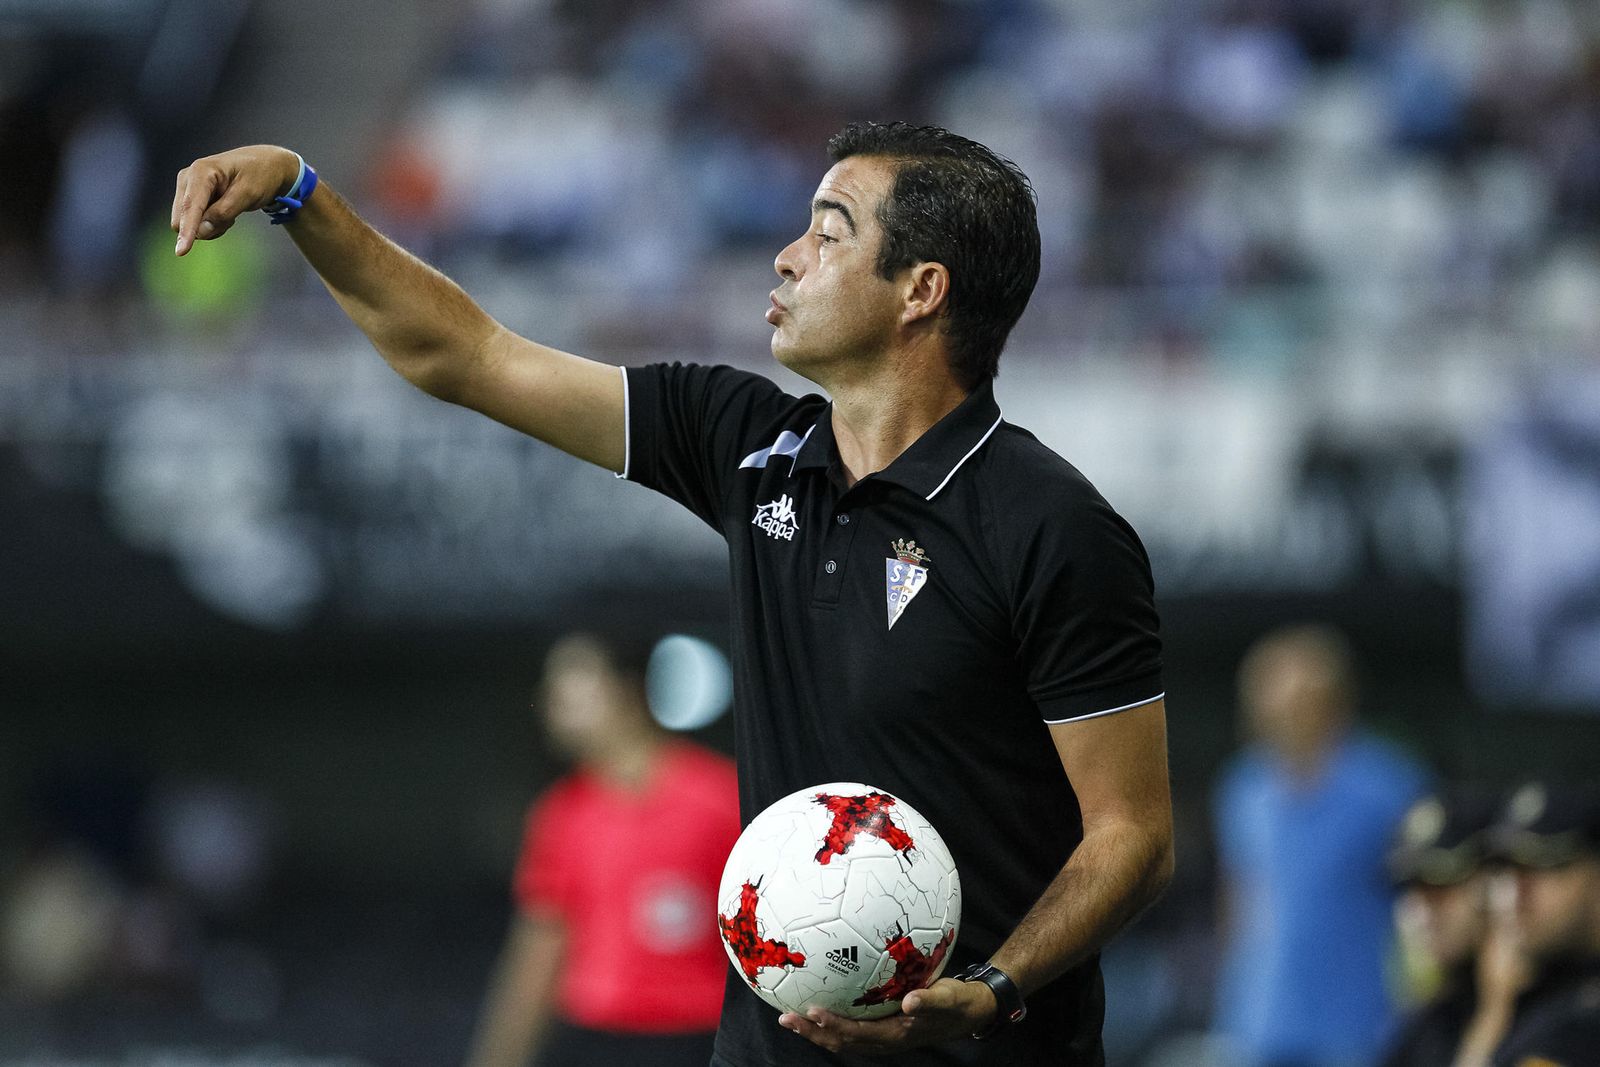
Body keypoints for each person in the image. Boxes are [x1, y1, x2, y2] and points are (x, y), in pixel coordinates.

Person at [171, 121, 1173, 1065]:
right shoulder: (750, 444)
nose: (785, 257)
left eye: (828, 234)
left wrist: (994, 985)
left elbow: (1131, 832)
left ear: (920, 290)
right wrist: (300, 192)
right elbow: (465, 355)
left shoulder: (1052, 527)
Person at [464, 633, 740, 1067]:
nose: (551, 702)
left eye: (570, 682)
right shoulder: (562, 812)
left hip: (701, 1038)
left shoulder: (720, 796)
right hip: (595, 1039)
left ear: (626, 688)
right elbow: (540, 947)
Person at [1211, 624, 1427, 1067]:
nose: (1279, 715)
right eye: (1268, 702)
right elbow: (1239, 898)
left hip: (1358, 1030)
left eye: (1297, 701)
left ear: (1334, 702)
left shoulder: (1388, 786)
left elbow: (1425, 897)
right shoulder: (1243, 788)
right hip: (1257, 1024)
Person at [1451, 782, 1600, 1067]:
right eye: (1504, 868)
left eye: (1544, 863)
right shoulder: (1517, 997)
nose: (1517, 893)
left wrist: (1491, 1019)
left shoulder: (1584, 1023)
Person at [1379, 789, 1496, 1067]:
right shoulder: (1428, 1024)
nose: (1422, 912)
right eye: (1409, 890)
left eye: (1441, 886)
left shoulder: (1560, 1009)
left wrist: (1495, 1014)